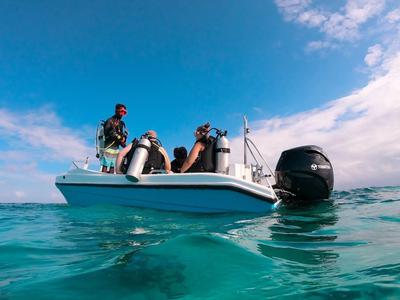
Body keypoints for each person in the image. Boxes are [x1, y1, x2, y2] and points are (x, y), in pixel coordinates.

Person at [101, 103, 128, 173]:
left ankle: (111, 179)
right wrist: (119, 138)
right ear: (117, 111)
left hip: (116, 147)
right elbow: (109, 132)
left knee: (113, 165)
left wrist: (123, 139)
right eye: (121, 111)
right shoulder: (110, 120)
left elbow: (121, 134)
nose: (122, 114)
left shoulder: (121, 123)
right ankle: (102, 178)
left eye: (124, 112)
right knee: (106, 164)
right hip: (109, 146)